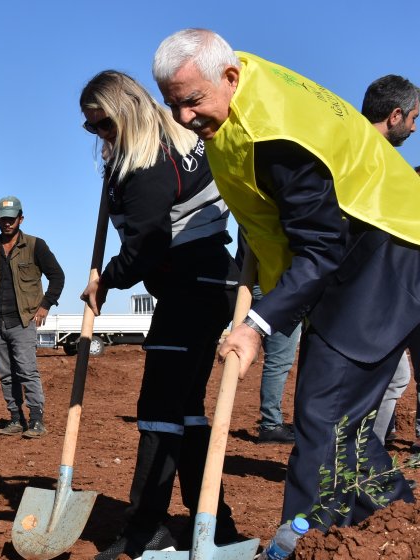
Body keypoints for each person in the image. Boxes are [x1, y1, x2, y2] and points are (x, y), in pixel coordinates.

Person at [154, 29, 419, 532]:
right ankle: (392, 538)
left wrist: (255, 325)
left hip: (388, 249)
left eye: (192, 102)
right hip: (372, 244)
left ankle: (304, 549)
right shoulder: (240, 84)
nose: (185, 117)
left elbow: (321, 247)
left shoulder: (274, 136)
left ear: (230, 78)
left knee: (326, 412)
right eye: (174, 105)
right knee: (346, 425)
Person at [77, 70, 240, 560]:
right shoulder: (181, 140)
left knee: (158, 411)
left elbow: (147, 247)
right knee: (184, 410)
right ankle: (213, 520)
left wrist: (105, 279)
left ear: (124, 113)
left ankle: (147, 527)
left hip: (190, 288)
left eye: (103, 125)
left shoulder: (144, 167)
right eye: (91, 129)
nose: (99, 135)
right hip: (214, 282)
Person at [361, 75, 418, 445]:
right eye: (414, 118)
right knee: (385, 377)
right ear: (396, 115)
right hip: (374, 294)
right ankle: (361, 457)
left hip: (378, 293)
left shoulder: (361, 153)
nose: (414, 128)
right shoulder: (376, 163)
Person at [0, 196, 63, 438]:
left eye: (11, 219)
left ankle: (37, 420)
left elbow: (57, 276)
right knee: (6, 375)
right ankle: (16, 419)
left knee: (27, 371)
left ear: (20, 218)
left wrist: (45, 305)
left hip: (22, 322)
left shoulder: (36, 245)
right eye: (3, 219)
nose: (7, 223)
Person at [251, 283, 300, 444]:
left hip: (266, 291)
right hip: (280, 292)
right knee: (279, 361)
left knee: (277, 361)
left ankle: (271, 423)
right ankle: (270, 425)